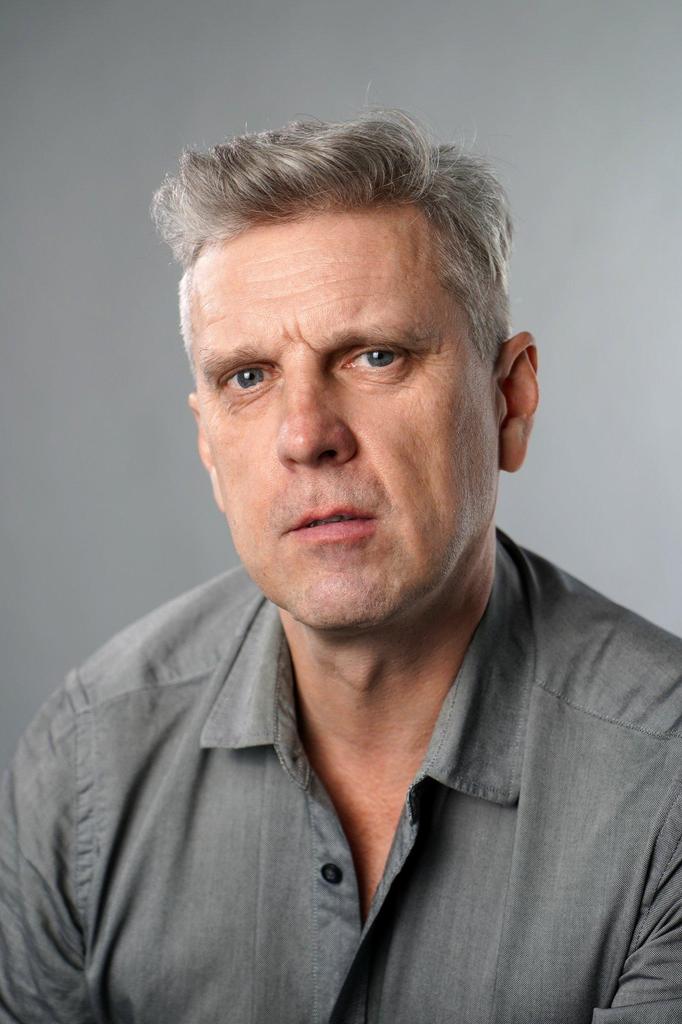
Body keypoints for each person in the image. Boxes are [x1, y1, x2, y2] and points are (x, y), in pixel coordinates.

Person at [1, 111, 681, 1024]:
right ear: (208, 446)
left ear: (509, 399)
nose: (306, 435)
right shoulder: (87, 762)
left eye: (374, 356)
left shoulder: (664, 783)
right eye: (248, 377)